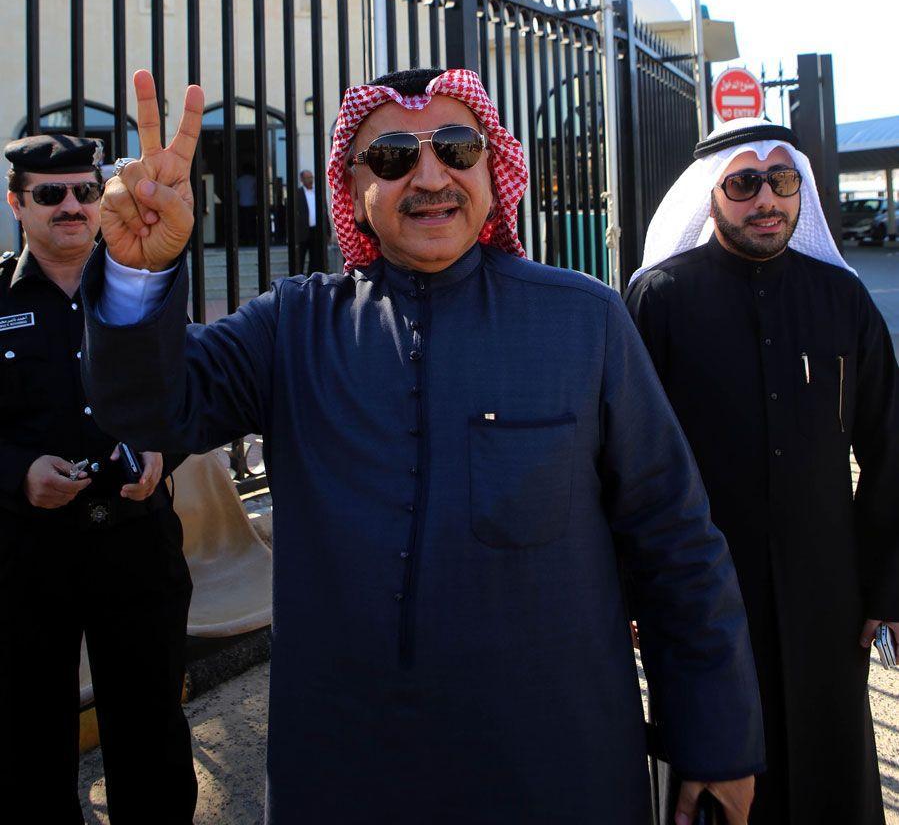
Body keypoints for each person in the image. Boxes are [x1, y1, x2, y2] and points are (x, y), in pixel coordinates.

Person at [81, 67, 765, 825]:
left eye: (455, 148)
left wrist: (715, 740)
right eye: (394, 157)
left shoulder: (585, 323)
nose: (430, 175)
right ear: (353, 187)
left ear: (489, 167)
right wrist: (136, 276)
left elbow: (672, 540)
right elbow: (152, 413)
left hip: (554, 764)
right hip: (345, 771)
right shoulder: (294, 327)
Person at [625, 117, 899, 825]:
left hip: (825, 594)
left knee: (829, 768)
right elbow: (620, 457)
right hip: (700, 592)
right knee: (714, 777)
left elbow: (890, 444)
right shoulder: (658, 300)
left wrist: (885, 583)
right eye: (743, 183)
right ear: (708, 195)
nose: (765, 200)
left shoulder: (841, 300)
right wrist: (626, 584)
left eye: (781, 181)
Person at [0, 134, 196, 825]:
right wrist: (19, 471)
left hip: (136, 547)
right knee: (28, 743)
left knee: (152, 737)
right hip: (27, 558)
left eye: (86, 191)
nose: (72, 206)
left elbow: (185, 389)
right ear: (17, 202)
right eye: (50, 194)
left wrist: (160, 451)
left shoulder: (137, 285)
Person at [296, 168, 330, 273]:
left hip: (316, 231)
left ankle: (311, 280)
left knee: (315, 260)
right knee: (299, 260)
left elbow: (325, 212)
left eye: (311, 177)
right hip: (302, 232)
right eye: (307, 178)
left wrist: (328, 230)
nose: (310, 180)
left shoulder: (318, 192)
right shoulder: (297, 194)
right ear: (301, 179)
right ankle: (299, 281)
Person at [236, 162, 256, 244]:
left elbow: (236, 192)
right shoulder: (254, 179)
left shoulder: (239, 180)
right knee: (252, 222)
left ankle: (244, 239)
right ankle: (252, 238)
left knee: (243, 223)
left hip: (242, 204)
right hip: (252, 204)